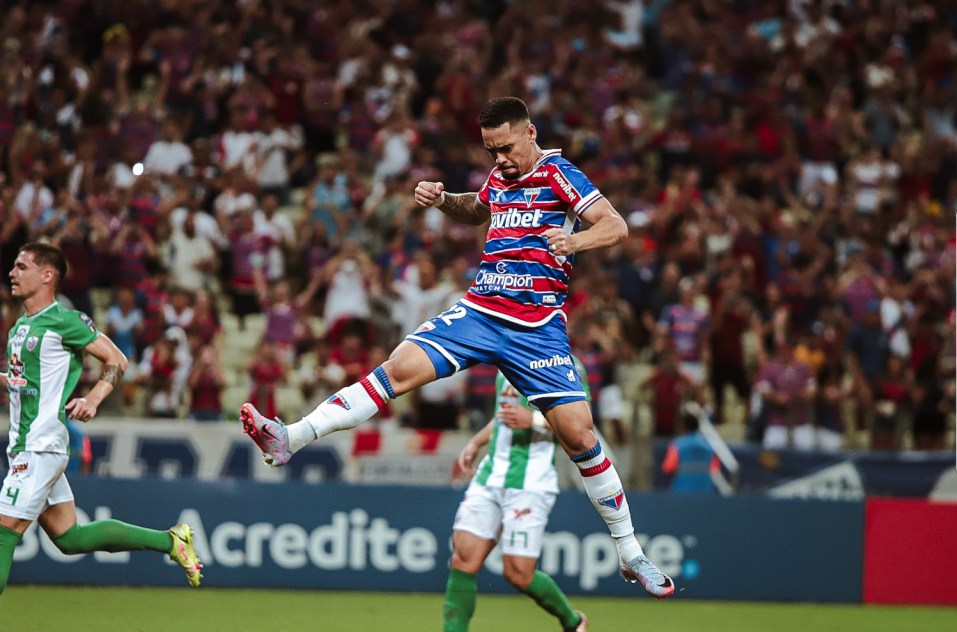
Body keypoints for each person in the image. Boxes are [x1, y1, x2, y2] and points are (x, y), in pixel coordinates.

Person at [240, 97, 674, 599]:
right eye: (491, 151)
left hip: (537, 327)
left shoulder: (559, 173)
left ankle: (629, 552)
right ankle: (290, 438)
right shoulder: (501, 176)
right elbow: (479, 208)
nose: (500, 159)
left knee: (579, 437)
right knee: (398, 368)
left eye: (506, 147)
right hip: (482, 311)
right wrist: (444, 199)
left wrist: (574, 242)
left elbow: (615, 225)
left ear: (530, 132)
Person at [0, 243, 202, 596]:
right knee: (70, 537)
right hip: (24, 447)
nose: (11, 273)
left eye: (21, 266)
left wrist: (92, 399)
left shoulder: (65, 321)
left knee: (3, 532)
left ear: (47, 275)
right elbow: (23, 382)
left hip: (41, 447)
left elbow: (117, 359)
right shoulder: (20, 327)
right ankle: (172, 541)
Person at [419, 360, 589, 632]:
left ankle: (572, 621)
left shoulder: (568, 367)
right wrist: (476, 442)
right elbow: (504, 415)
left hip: (530, 483)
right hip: (490, 477)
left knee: (519, 574)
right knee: (463, 558)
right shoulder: (506, 357)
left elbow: (579, 425)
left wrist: (533, 420)